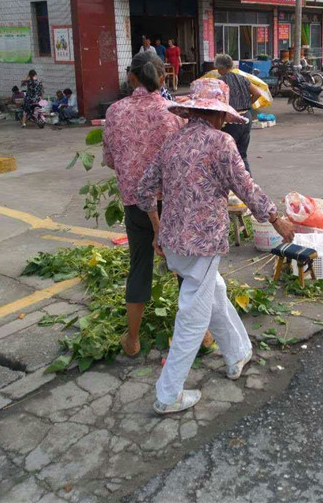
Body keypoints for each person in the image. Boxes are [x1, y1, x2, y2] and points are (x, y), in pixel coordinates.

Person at [137, 78, 294, 414]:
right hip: (203, 244)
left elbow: (144, 190)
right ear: (218, 114)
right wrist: (276, 219)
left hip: (174, 242)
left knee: (214, 293)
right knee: (193, 315)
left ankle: (237, 352)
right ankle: (168, 394)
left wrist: (157, 229)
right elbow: (246, 187)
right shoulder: (221, 143)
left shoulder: (173, 142)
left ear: (193, 110)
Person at [103, 51, 185, 358]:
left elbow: (111, 160)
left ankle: (133, 340)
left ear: (131, 78)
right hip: (173, 203)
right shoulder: (174, 112)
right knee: (183, 266)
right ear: (162, 78)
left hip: (135, 205)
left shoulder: (114, 112)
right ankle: (200, 334)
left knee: (139, 265)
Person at [215, 53, 265, 174]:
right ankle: (248, 183)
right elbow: (257, 93)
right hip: (246, 117)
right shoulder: (243, 78)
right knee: (242, 154)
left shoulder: (220, 82)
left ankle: (230, 184)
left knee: (227, 154)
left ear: (221, 68)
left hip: (232, 119)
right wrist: (248, 105)